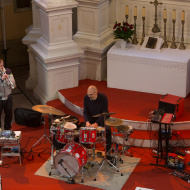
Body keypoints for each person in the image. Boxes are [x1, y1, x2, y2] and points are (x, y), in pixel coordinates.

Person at [83, 85, 112, 161]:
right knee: (82, 130)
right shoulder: (86, 97)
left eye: (91, 95)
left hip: (103, 118)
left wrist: (97, 123)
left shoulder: (103, 97)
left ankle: (108, 153)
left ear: (96, 93)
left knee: (108, 130)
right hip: (91, 118)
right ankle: (84, 151)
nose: (89, 96)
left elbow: (104, 112)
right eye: (88, 94)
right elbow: (85, 112)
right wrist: (87, 122)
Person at [0, 59, 16, 130]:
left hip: (8, 97)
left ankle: (7, 129)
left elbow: (13, 83)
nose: (1, 68)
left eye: (2, 65)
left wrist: (11, 83)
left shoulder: (8, 71)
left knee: (9, 114)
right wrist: (1, 79)